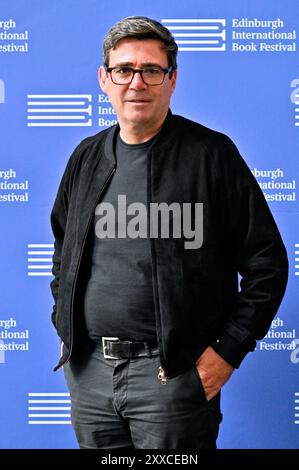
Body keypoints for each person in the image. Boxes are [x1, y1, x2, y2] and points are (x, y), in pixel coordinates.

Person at [50, 16, 288, 450]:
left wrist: (227, 352)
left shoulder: (211, 155)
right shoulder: (85, 159)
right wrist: (66, 331)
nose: (136, 82)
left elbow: (266, 263)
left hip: (173, 377)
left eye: (151, 70)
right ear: (105, 79)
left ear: (172, 79)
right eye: (123, 70)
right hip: (91, 377)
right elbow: (64, 254)